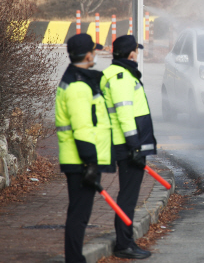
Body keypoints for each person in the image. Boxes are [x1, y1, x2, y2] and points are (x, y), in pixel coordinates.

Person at [55, 34, 115, 263]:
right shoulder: (78, 86)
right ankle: (74, 259)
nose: (96, 55)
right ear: (88, 55)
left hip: (80, 159)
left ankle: (75, 257)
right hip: (80, 161)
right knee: (79, 216)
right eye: (94, 51)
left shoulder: (78, 79)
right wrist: (90, 162)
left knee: (79, 214)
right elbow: (81, 128)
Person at [101, 35, 157, 260]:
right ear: (130, 53)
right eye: (136, 50)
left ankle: (126, 241)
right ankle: (124, 244)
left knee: (128, 195)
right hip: (128, 146)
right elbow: (125, 114)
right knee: (128, 197)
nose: (138, 54)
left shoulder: (112, 74)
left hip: (124, 144)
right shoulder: (123, 77)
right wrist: (135, 146)